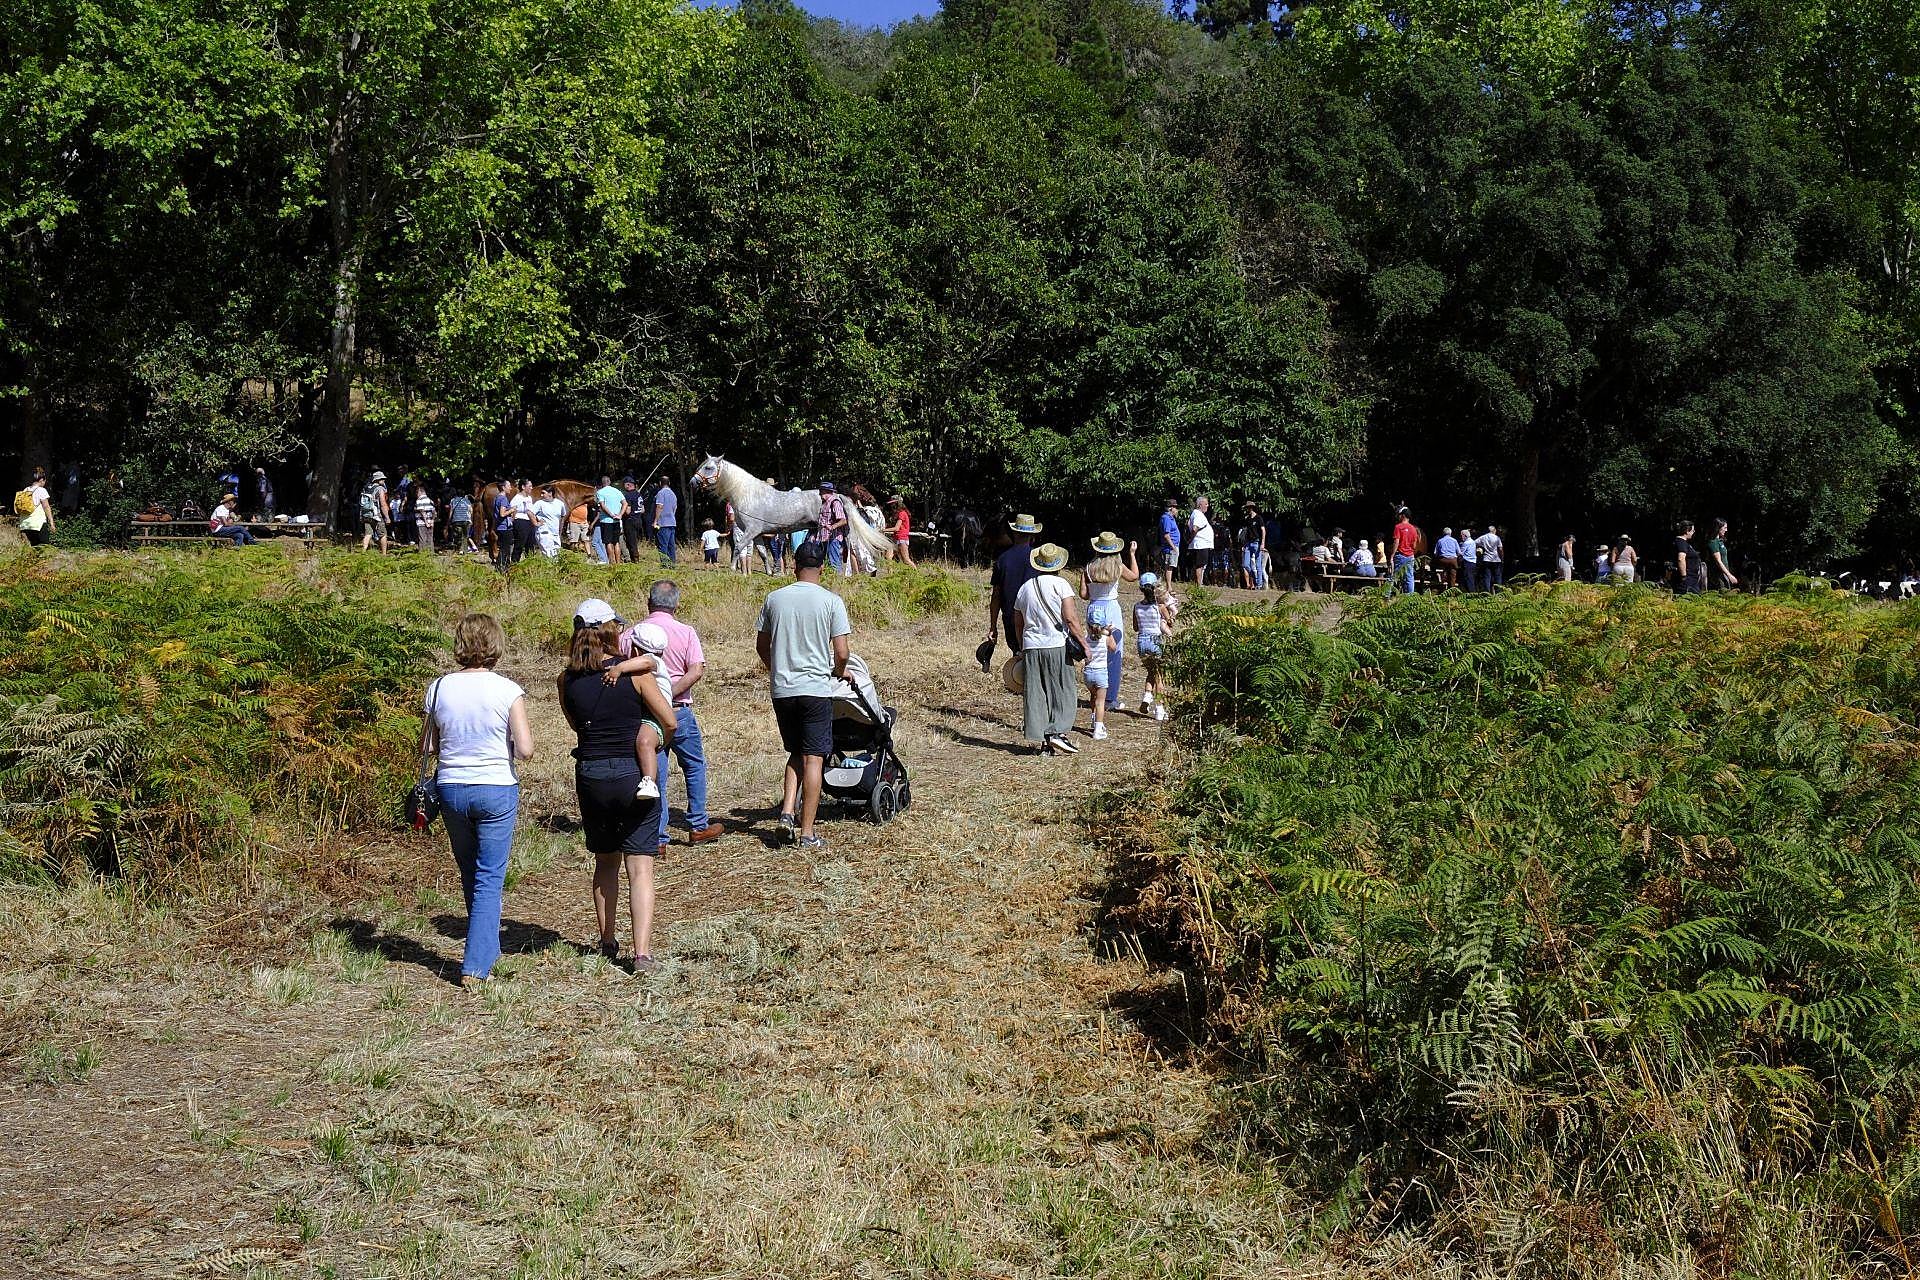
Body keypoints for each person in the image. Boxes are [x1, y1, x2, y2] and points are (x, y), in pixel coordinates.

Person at [558, 604, 674, 973]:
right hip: (631, 773)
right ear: (611, 632)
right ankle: (641, 955)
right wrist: (655, 740)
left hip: (590, 775)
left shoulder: (566, 680)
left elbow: (576, 724)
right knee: (639, 867)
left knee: (604, 862)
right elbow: (669, 720)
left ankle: (607, 940)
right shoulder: (635, 676)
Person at [423, 613, 533, 987]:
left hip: (451, 786)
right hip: (496, 787)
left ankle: (485, 945)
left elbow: (429, 746)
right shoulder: (507, 690)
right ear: (495, 645)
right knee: (490, 875)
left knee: (469, 870)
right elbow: (526, 750)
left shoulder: (438, 688)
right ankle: (475, 965)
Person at [757, 540, 850, 852]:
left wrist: (776, 669)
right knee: (814, 759)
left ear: (794, 565)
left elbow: (761, 645)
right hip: (815, 688)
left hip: (782, 689)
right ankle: (807, 832)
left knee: (795, 752)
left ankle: (786, 813)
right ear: (822, 568)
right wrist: (839, 670)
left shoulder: (774, 598)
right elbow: (842, 652)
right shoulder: (831, 601)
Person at [626, 580, 724, 851]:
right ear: (676, 604)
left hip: (644, 715)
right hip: (679, 711)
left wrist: (653, 698)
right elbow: (696, 670)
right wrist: (667, 695)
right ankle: (698, 825)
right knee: (693, 766)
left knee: (655, 774)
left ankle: (657, 836)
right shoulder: (686, 631)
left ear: (649, 602)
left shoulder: (633, 633)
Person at [1014, 542, 1088, 755]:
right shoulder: (1061, 585)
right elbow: (1071, 619)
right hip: (1055, 644)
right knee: (1063, 690)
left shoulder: (1025, 588)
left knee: (1037, 694)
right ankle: (1058, 732)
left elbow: (1017, 621)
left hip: (1031, 646)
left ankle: (1044, 743)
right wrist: (1084, 644)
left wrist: (1022, 646)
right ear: (1058, 564)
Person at [605, 621, 676, 802]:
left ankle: (649, 781)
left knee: (644, 742)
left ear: (636, 650)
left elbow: (645, 660)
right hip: (649, 715)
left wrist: (619, 668)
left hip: (656, 717)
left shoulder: (654, 662)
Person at [1081, 532, 1139, 718]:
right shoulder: (1117, 565)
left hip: (1094, 608)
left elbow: (1083, 594)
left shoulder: (1089, 567)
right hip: (1111, 608)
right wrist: (1132, 554)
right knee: (1114, 652)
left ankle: (1094, 693)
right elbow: (1134, 577)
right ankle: (1110, 697)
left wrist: (1096, 592)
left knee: (1095, 647)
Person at [986, 514, 1041, 667]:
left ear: (1015, 533)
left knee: (1018, 657)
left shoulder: (1002, 559)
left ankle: (1020, 686)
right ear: (1032, 536)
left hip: (1010, 617)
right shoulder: (1038, 559)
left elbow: (996, 596)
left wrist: (993, 626)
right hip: (1035, 617)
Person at [1134, 574, 1173, 721]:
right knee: (1159, 676)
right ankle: (1159, 709)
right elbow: (1169, 623)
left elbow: (1136, 627)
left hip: (1142, 642)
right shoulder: (1160, 607)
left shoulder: (1136, 606)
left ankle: (1147, 697)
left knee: (1151, 671)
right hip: (1155, 641)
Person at [1083, 618, 1119, 740]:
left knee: (1093, 696)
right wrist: (1109, 633)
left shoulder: (1085, 638)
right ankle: (1098, 729)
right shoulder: (1106, 639)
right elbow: (1114, 648)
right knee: (1100, 701)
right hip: (1101, 672)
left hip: (1088, 673)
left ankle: (1093, 718)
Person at [817, 481, 850, 575]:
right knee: (826, 563)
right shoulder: (824, 504)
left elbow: (843, 520)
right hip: (824, 538)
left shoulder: (835, 503)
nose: (819, 494)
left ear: (826, 491)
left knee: (834, 563)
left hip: (833, 539)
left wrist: (832, 527)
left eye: (821, 491)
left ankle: (837, 582)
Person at [593, 475, 626, 566]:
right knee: (616, 542)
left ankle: (612, 562)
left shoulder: (600, 492)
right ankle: (618, 562)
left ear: (602, 483)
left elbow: (602, 506)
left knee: (608, 542)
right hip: (616, 521)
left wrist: (611, 515)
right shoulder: (617, 491)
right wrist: (620, 515)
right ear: (610, 482)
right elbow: (625, 503)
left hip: (606, 520)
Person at [18, 471, 54, 547]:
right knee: (45, 548)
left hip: (25, 524)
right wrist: (51, 523)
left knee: (34, 548)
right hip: (38, 524)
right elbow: (46, 507)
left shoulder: (26, 490)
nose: (44, 483)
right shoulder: (41, 490)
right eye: (44, 481)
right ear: (41, 480)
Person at [1391, 507, 1421, 594]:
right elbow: (1414, 545)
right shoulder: (1413, 529)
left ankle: (1386, 596)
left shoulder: (1398, 527)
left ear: (1403, 516)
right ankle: (1410, 597)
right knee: (1410, 577)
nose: (1398, 517)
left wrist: (1392, 555)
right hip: (1410, 556)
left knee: (1393, 575)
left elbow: (1396, 542)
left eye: (1399, 515)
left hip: (1400, 555)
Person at [1238, 504, 1268, 590]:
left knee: (1258, 565)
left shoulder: (1259, 518)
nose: (1247, 509)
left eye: (1247, 508)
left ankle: (1259, 584)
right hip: (1248, 543)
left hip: (1257, 543)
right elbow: (1245, 532)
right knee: (1246, 564)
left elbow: (1263, 530)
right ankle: (1255, 578)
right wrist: (1244, 544)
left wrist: (1262, 543)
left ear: (1251, 508)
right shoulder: (1247, 519)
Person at [532, 484, 566, 559]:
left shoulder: (560, 504)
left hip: (555, 534)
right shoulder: (540, 503)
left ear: (550, 493)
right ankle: (549, 569)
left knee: (557, 556)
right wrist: (536, 523)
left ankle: (554, 570)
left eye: (543, 493)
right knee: (549, 556)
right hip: (544, 533)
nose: (541, 495)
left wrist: (560, 531)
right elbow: (530, 512)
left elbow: (563, 516)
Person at [1187, 496, 1215, 586]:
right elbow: (1195, 528)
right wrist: (1191, 539)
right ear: (1200, 505)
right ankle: (1199, 585)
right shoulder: (1198, 514)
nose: (1208, 506)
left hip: (1201, 544)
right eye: (1206, 504)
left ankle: (1198, 583)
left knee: (1201, 565)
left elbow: (1189, 524)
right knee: (1200, 565)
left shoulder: (1196, 514)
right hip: (1200, 544)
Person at [359, 470, 389, 553]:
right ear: (377, 480)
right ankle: (384, 554)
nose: (384, 480)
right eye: (382, 479)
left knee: (368, 533)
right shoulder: (380, 489)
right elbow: (383, 504)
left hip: (366, 514)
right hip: (376, 515)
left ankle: (363, 551)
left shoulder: (366, 488)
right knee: (382, 534)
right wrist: (387, 517)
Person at [1707, 519, 1739, 590]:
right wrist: (1729, 575)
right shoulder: (1713, 542)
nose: (1726, 530)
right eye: (1725, 528)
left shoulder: (1720, 541)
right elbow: (1718, 561)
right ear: (1718, 528)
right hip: (1718, 575)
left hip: (1724, 573)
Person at [621, 476, 647, 561]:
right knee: (635, 541)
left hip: (630, 521)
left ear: (628, 484)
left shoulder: (627, 495)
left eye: (624, 484)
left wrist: (621, 511)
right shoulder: (639, 494)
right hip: (639, 520)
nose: (623, 486)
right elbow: (643, 510)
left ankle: (635, 560)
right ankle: (634, 558)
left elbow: (627, 511)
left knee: (631, 542)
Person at [1673, 521, 1704, 593]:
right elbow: (1681, 559)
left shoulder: (1683, 543)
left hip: (1691, 579)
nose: (1694, 532)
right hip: (1688, 581)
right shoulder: (1681, 543)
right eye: (1693, 530)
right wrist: (1684, 577)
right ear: (1687, 531)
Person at [653, 478, 679, 564]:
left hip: (663, 523)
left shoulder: (661, 493)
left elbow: (659, 506)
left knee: (663, 545)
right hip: (672, 522)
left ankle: (665, 564)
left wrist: (655, 521)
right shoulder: (673, 494)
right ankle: (672, 563)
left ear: (660, 483)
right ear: (669, 483)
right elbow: (675, 508)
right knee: (671, 545)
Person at [1476, 525, 1505, 590]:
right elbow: (1500, 549)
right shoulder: (1497, 538)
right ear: (1494, 530)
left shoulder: (1483, 537)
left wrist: (1480, 548)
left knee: (1487, 577)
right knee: (1498, 577)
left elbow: (1475, 542)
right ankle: (1498, 592)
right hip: (1496, 560)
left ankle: (1487, 593)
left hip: (1486, 559)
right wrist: (1502, 558)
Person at [1159, 498, 1182, 576]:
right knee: (1169, 567)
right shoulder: (1166, 519)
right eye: (1175, 507)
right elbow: (1166, 535)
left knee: (1170, 566)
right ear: (1171, 508)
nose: (1177, 510)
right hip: (1170, 548)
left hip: (1173, 546)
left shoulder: (1171, 519)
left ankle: (1169, 586)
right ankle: (1169, 587)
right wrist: (1173, 547)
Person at [889, 496, 914, 566]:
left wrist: (883, 530)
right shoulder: (899, 514)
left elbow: (896, 528)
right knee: (888, 558)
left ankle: (917, 574)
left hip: (901, 538)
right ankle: (890, 575)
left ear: (897, 503)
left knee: (906, 560)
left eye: (893, 503)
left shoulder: (902, 513)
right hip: (895, 538)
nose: (891, 505)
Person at [449, 490, 475, 554]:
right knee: (465, 536)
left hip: (456, 520)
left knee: (458, 535)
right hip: (466, 520)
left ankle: (460, 550)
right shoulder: (467, 501)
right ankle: (464, 550)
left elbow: (451, 511)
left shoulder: (453, 500)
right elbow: (471, 511)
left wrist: (449, 520)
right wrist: (471, 520)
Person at [414, 483, 438, 552]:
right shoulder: (430, 500)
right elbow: (434, 512)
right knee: (430, 538)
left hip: (422, 523)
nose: (416, 494)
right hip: (430, 522)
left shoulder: (419, 500)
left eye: (417, 492)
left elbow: (422, 511)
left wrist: (426, 522)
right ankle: (431, 553)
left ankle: (423, 555)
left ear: (420, 492)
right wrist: (432, 521)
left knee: (422, 539)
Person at [1457, 524, 1478, 592]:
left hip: (1467, 562)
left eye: (1461, 535)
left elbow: (1460, 553)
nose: (1460, 537)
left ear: (1465, 535)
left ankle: (1470, 594)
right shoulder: (1473, 542)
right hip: (1473, 562)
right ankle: (1471, 593)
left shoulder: (1466, 543)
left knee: (1468, 579)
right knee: (1471, 578)